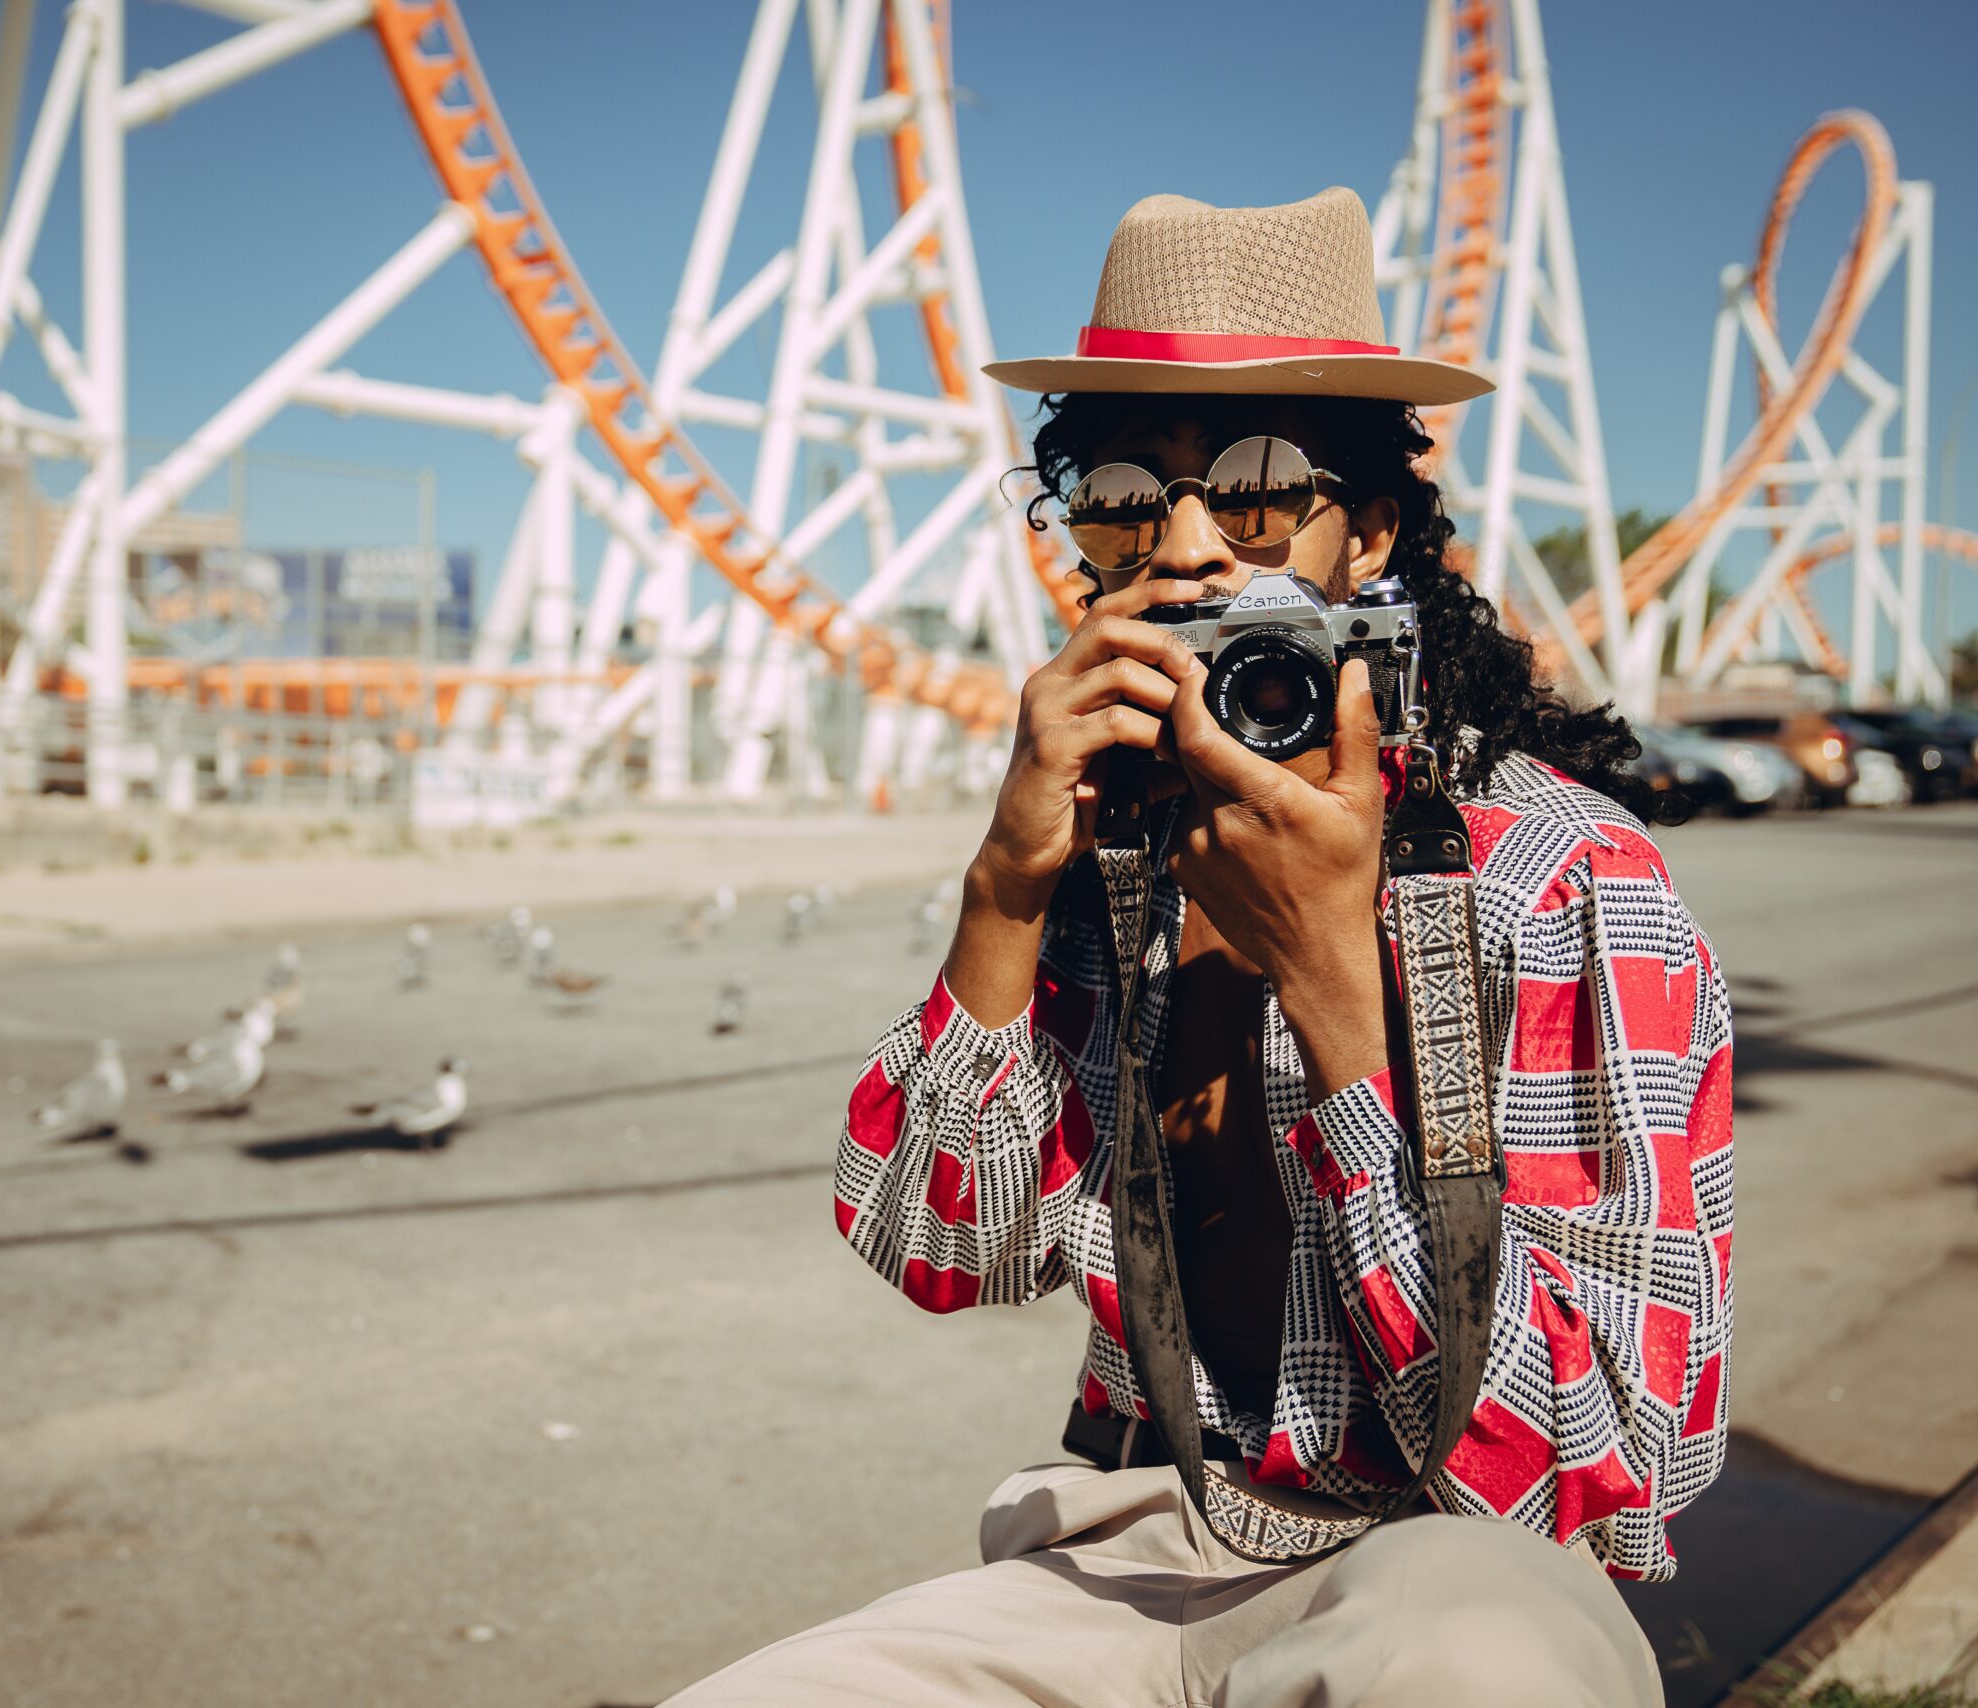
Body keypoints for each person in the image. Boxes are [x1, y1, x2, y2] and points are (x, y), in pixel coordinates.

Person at [662, 188, 1732, 1707]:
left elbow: (1606, 1457)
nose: (1180, 549)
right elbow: (944, 1253)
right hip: (1139, 1530)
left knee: (1471, 1671)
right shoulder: (1104, 864)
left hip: (1460, 1550)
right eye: (1118, 492)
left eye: (1253, 488)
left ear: (1368, 534)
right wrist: (1007, 885)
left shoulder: (1561, 880)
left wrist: (1336, 987)